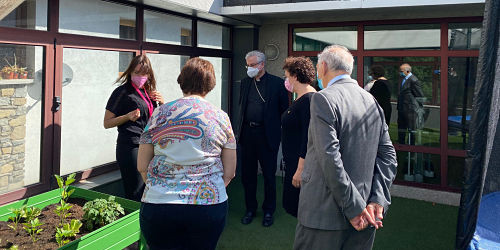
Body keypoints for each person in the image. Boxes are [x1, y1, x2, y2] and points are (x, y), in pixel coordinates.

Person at [294, 45, 397, 250]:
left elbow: (329, 157)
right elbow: (388, 156)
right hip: (367, 215)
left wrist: (354, 209)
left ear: (322, 66)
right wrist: (377, 200)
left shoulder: (324, 98)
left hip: (326, 217)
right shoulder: (371, 100)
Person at [137, 57, 237, 250]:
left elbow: (142, 164)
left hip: (159, 202)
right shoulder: (221, 117)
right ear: (211, 84)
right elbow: (230, 171)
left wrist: (158, 185)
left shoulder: (160, 113)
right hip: (208, 205)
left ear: (181, 81)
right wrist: (213, 187)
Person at [237, 50, 289, 227]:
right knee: (248, 175)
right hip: (247, 134)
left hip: (267, 135)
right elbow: (242, 107)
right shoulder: (245, 83)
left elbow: (284, 108)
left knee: (268, 176)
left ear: (262, 64)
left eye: (252, 65)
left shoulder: (277, 83)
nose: (249, 68)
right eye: (248, 65)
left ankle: (269, 211)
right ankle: (250, 209)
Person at [104, 55, 164, 202]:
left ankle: (146, 223)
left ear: (149, 74)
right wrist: (127, 116)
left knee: (148, 190)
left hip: (149, 146)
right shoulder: (122, 92)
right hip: (130, 146)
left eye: (144, 73)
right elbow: (107, 123)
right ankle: (134, 223)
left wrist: (162, 103)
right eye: (136, 73)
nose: (140, 77)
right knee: (135, 191)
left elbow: (158, 120)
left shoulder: (148, 92)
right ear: (130, 72)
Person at [281, 56, 316, 217]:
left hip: (299, 165)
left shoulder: (309, 100)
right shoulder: (301, 97)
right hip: (292, 162)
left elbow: (308, 138)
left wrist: (300, 170)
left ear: (295, 76)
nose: (286, 80)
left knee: (300, 210)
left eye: (287, 76)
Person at [397, 63, 424, 145]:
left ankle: (411, 147)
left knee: (411, 129)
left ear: (407, 71)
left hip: (410, 110)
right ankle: (401, 145)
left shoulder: (413, 80)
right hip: (402, 108)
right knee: (401, 128)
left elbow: (419, 95)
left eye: (401, 71)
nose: (400, 73)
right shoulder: (403, 79)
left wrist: (418, 107)